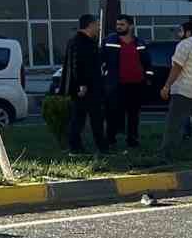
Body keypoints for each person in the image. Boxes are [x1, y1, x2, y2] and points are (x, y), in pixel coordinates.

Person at [160, 18, 192, 161]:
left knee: (173, 125)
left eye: (180, 31)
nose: (178, 34)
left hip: (184, 92)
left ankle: (167, 155)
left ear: (188, 32)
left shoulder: (184, 44)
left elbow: (177, 67)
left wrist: (166, 86)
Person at [61, 14, 110, 155]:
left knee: (82, 117)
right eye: (97, 25)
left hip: (90, 86)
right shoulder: (80, 42)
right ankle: (96, 147)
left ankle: (80, 147)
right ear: (90, 25)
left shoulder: (86, 41)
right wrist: (82, 84)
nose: (99, 28)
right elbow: (77, 65)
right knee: (90, 118)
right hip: (86, 88)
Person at [102, 15, 148, 149]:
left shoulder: (139, 42)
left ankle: (132, 140)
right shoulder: (109, 41)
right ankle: (111, 140)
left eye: (122, 24)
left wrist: (148, 77)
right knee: (113, 113)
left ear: (130, 26)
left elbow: (147, 62)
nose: (118, 27)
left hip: (136, 85)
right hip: (116, 84)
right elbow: (101, 59)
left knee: (134, 114)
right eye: (117, 24)